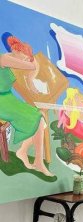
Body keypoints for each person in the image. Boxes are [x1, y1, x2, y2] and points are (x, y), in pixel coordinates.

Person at [0, 36, 53, 176]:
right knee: (38, 118)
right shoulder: (4, 58)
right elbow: (32, 65)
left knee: (40, 120)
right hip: (2, 102)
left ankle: (32, 158)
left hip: (8, 99)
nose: (24, 60)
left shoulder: (10, 62)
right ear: (16, 51)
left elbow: (30, 65)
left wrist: (30, 80)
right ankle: (29, 156)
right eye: (24, 57)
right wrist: (30, 74)